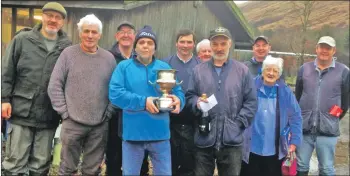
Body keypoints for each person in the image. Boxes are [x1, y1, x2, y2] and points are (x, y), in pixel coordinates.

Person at [1, 2, 71, 175]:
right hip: (21, 111)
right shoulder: (22, 40)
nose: (53, 20)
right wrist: (4, 100)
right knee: (15, 162)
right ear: (43, 17)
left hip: (49, 114)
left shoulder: (67, 47)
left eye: (57, 17)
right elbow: (6, 71)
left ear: (62, 22)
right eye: (49, 16)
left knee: (40, 165)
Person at [109, 25, 185, 175]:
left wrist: (178, 101)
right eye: (141, 42)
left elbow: (178, 92)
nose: (145, 46)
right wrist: (144, 102)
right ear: (135, 46)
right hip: (132, 136)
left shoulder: (164, 67)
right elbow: (115, 94)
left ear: (154, 48)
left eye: (150, 43)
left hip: (160, 135)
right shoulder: (123, 67)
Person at [47, 14, 116, 175]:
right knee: (67, 168)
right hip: (72, 123)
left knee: (92, 170)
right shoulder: (68, 54)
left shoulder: (109, 58)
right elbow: (54, 85)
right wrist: (64, 113)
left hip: (99, 125)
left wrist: (109, 112)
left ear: (100, 34)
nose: (90, 35)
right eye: (86, 31)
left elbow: (116, 89)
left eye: (94, 32)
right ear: (80, 33)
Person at [186, 26, 258, 176]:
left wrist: (238, 125)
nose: (219, 48)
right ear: (210, 45)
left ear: (229, 44)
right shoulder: (198, 71)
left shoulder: (242, 71)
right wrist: (196, 103)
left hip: (232, 141)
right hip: (204, 137)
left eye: (223, 43)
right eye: (215, 44)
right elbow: (189, 96)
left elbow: (251, 102)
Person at [295, 36, 349, 176]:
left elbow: (345, 102)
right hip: (304, 128)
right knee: (300, 166)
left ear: (334, 51)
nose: (324, 51)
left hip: (328, 130)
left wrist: (332, 117)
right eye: (322, 47)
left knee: (326, 168)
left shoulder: (343, 71)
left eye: (328, 48)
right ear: (316, 49)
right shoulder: (304, 69)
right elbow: (298, 96)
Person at [241, 56, 302, 176]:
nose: (271, 73)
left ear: (279, 74)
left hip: (275, 150)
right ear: (262, 71)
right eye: (268, 69)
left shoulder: (285, 92)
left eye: (275, 71)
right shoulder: (250, 87)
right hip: (250, 148)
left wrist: (293, 143)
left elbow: (296, 117)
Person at [106, 21, 149, 176]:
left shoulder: (144, 59)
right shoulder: (107, 57)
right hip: (115, 115)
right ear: (117, 36)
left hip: (138, 115)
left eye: (129, 32)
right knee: (114, 157)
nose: (126, 35)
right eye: (122, 32)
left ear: (134, 36)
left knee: (140, 158)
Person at [163, 29, 201, 176]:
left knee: (189, 166)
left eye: (189, 42)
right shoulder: (165, 63)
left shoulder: (200, 66)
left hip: (192, 123)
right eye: (182, 41)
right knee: (168, 165)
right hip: (169, 122)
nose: (185, 45)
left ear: (194, 44)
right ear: (176, 43)